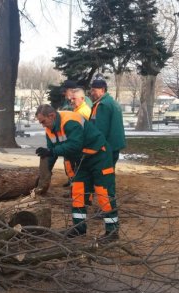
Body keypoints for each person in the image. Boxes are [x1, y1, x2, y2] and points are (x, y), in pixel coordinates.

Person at [35, 104, 119, 242]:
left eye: (43, 121)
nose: (43, 125)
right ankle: (79, 229)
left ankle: (112, 231)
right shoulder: (50, 130)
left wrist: (52, 151)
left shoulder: (70, 122)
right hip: (81, 161)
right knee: (78, 193)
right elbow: (51, 153)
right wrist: (44, 175)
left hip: (99, 156)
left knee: (104, 193)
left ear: (52, 116)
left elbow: (75, 145)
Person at [89, 76, 126, 167]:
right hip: (114, 146)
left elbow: (101, 129)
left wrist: (95, 147)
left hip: (106, 147)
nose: (91, 93)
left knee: (104, 174)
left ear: (102, 90)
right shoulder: (112, 102)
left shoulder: (103, 105)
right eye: (91, 90)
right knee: (109, 172)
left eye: (94, 90)